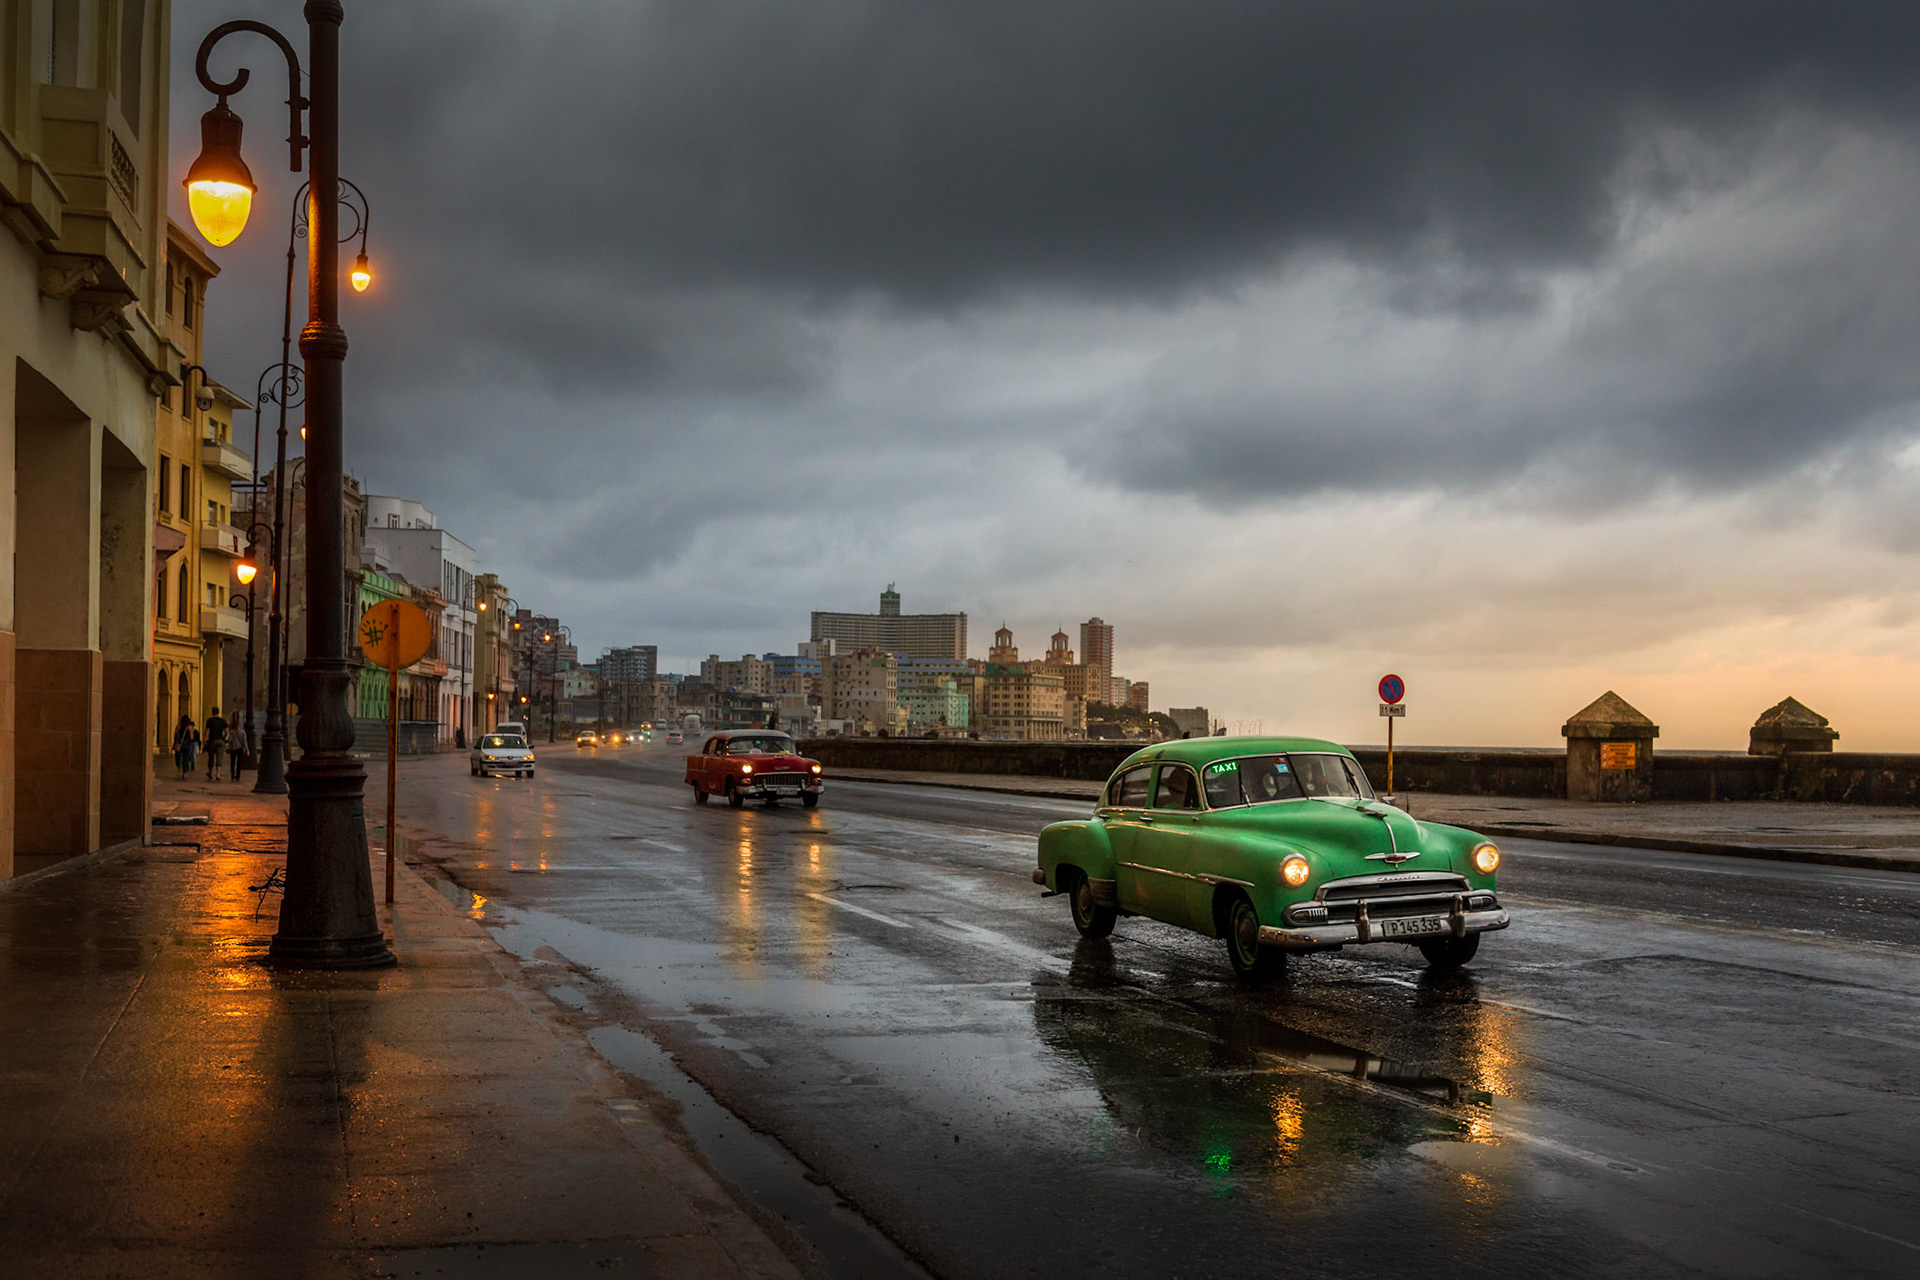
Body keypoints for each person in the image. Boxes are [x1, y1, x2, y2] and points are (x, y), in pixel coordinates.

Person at [203, 707, 229, 781]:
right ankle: (218, 773)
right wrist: (224, 738)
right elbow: (227, 731)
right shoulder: (222, 720)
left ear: (212, 712)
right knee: (219, 757)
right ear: (218, 712)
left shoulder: (209, 720)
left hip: (212, 741)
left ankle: (210, 772)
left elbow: (207, 731)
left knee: (211, 757)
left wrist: (205, 739)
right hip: (221, 741)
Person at [172, 713, 195, 779]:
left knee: (178, 756)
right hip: (187, 744)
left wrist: (175, 742)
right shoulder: (189, 727)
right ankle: (184, 772)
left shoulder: (178, 726)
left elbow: (175, 734)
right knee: (186, 757)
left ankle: (179, 767)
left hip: (179, 744)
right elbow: (191, 737)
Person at [228, 715, 249, 780]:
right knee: (239, 762)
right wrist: (247, 750)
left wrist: (230, 745)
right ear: (239, 725)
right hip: (240, 749)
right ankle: (238, 775)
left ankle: (232, 773)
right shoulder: (243, 732)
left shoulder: (231, 732)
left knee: (232, 762)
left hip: (233, 749)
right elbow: (244, 742)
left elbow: (229, 740)